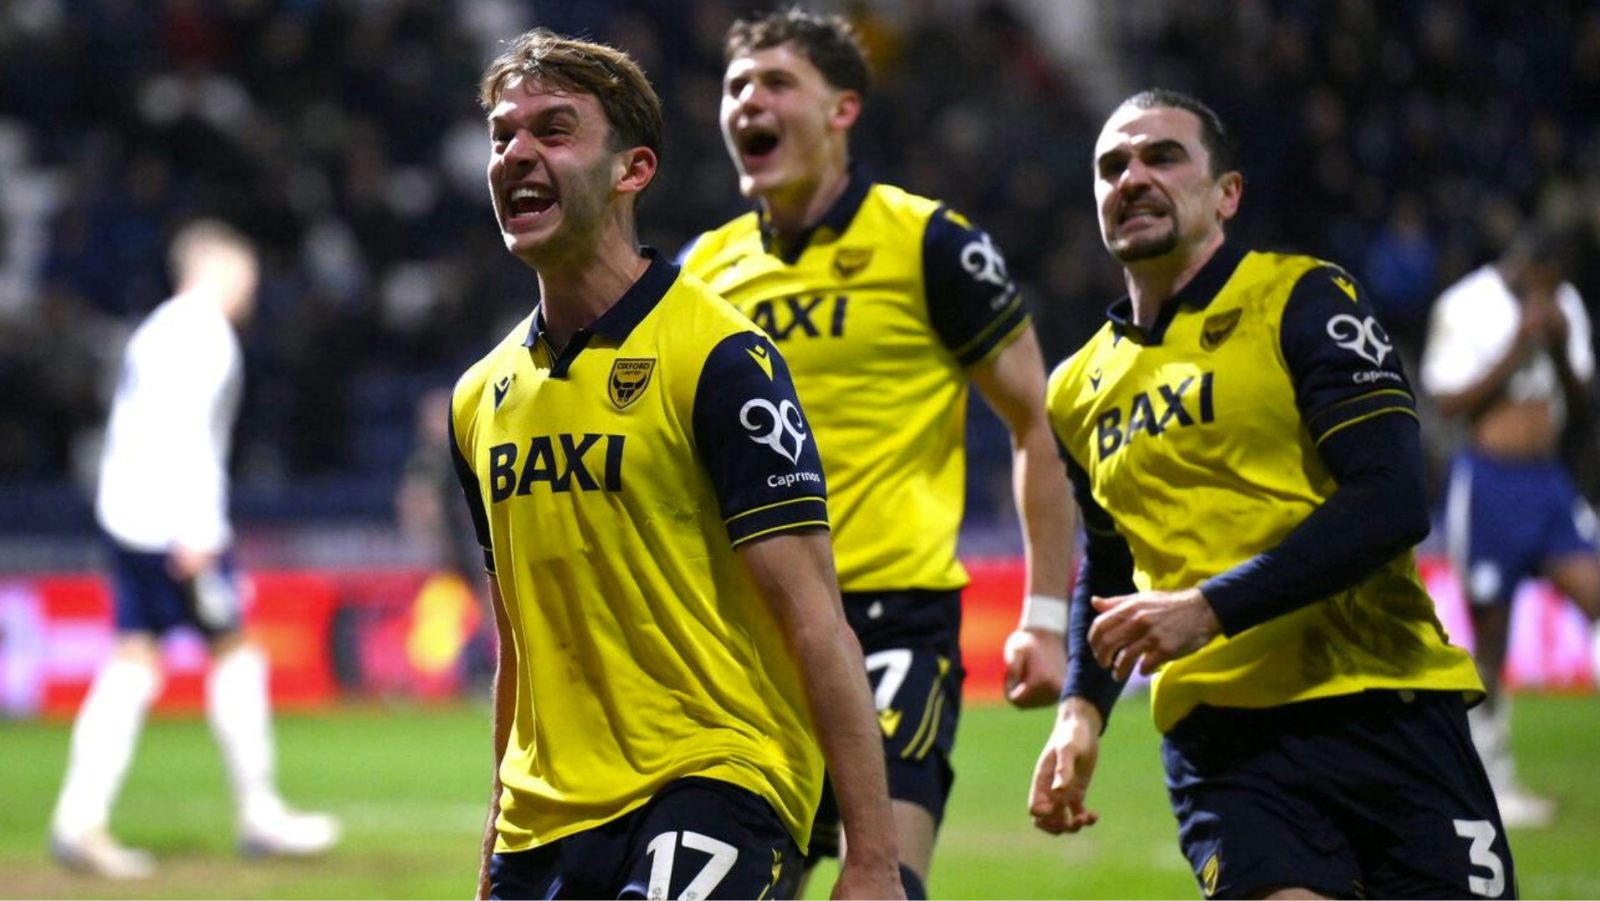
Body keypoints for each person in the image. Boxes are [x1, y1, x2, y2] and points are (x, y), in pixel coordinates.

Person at [1028, 89, 1514, 899]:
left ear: (1228, 194)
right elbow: (1109, 560)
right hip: (1226, 746)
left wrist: (1210, 607)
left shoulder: (1304, 299)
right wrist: (1080, 709)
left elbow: (1393, 500)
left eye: (1163, 156)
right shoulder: (1076, 388)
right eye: (1112, 166)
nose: (1133, 177)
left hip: (1383, 700)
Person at [453, 30, 901, 900]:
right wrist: (493, 844)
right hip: (543, 822)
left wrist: (874, 861)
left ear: (633, 170)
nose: (517, 156)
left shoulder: (724, 358)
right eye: (503, 136)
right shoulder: (479, 398)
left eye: (554, 130)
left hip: (717, 774)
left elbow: (815, 618)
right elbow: (520, 648)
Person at [678, 10, 1072, 895]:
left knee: (881, 877)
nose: (750, 101)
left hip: (890, 620)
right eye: (738, 87)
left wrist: (1046, 618)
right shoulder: (704, 272)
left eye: (777, 83)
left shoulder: (930, 243)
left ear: (844, 109)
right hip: (750, 627)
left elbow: (1036, 423)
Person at [49, 220, 341, 879]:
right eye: (247, 277)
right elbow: (185, 437)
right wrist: (199, 531)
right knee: (233, 652)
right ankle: (259, 814)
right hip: (170, 525)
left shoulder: (156, 328)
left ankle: (79, 816)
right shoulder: (205, 335)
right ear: (221, 271)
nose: (251, 291)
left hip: (128, 514)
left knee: (137, 658)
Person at [1420, 226, 1600, 828]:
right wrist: (1518, 346)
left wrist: (1559, 342)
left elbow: (1579, 401)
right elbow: (1446, 402)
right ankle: (1492, 782)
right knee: (1490, 642)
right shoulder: (1465, 305)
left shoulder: (1565, 301)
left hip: (1547, 480)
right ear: (1521, 267)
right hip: (1489, 483)